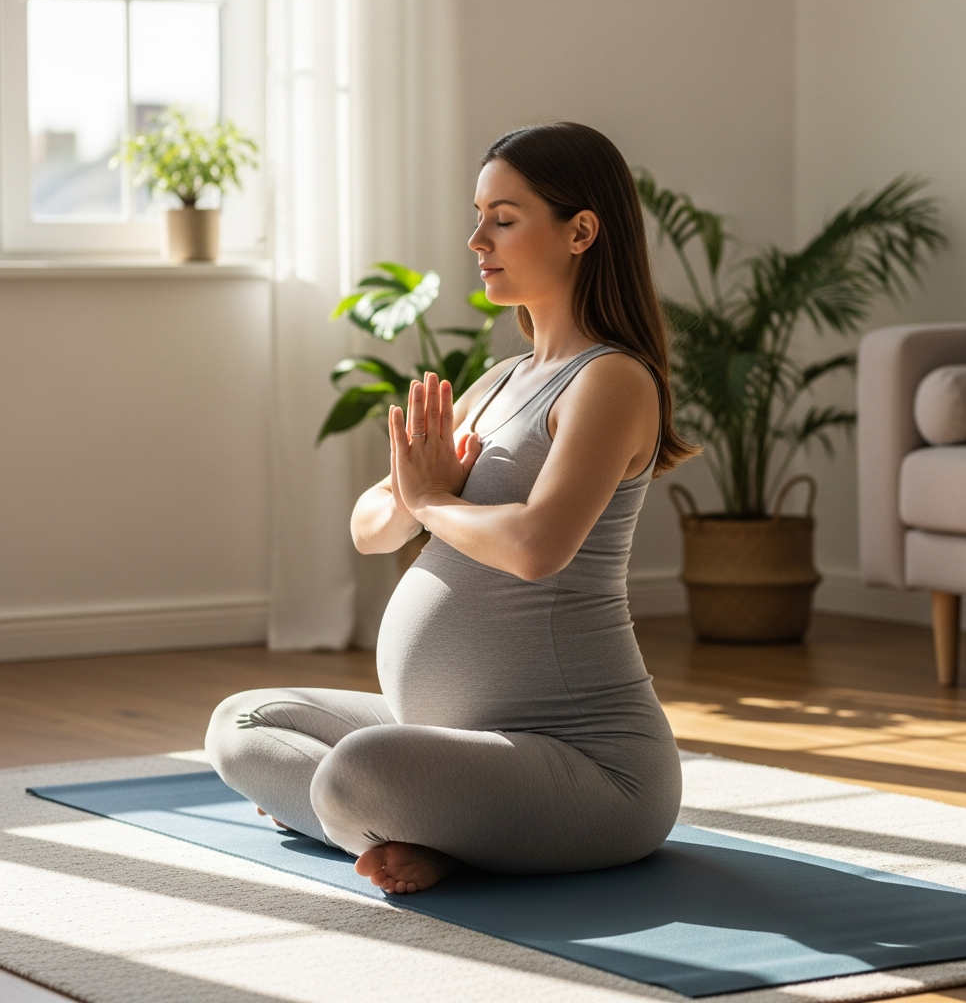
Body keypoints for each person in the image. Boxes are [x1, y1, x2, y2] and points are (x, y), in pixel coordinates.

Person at [205, 122, 698, 895]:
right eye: (478, 217)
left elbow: (536, 545)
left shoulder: (611, 381)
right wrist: (419, 498)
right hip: (449, 739)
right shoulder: (498, 382)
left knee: (359, 769)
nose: (477, 240)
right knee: (242, 722)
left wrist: (432, 498)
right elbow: (370, 528)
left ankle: (372, 813)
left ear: (580, 232)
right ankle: (414, 825)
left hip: (592, 770)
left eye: (503, 218)